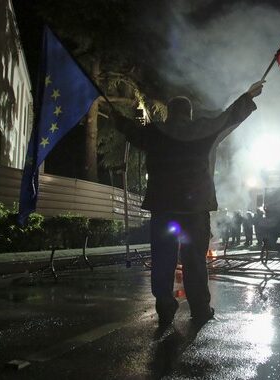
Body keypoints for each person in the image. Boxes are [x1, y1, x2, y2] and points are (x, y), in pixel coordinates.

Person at [113, 80, 265, 327]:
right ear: (190, 114)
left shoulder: (154, 132)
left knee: (163, 259)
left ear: (170, 112)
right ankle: (200, 308)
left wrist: (115, 115)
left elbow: (131, 130)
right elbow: (228, 118)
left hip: (163, 208)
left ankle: (164, 304)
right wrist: (247, 96)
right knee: (194, 260)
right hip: (195, 209)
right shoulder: (202, 130)